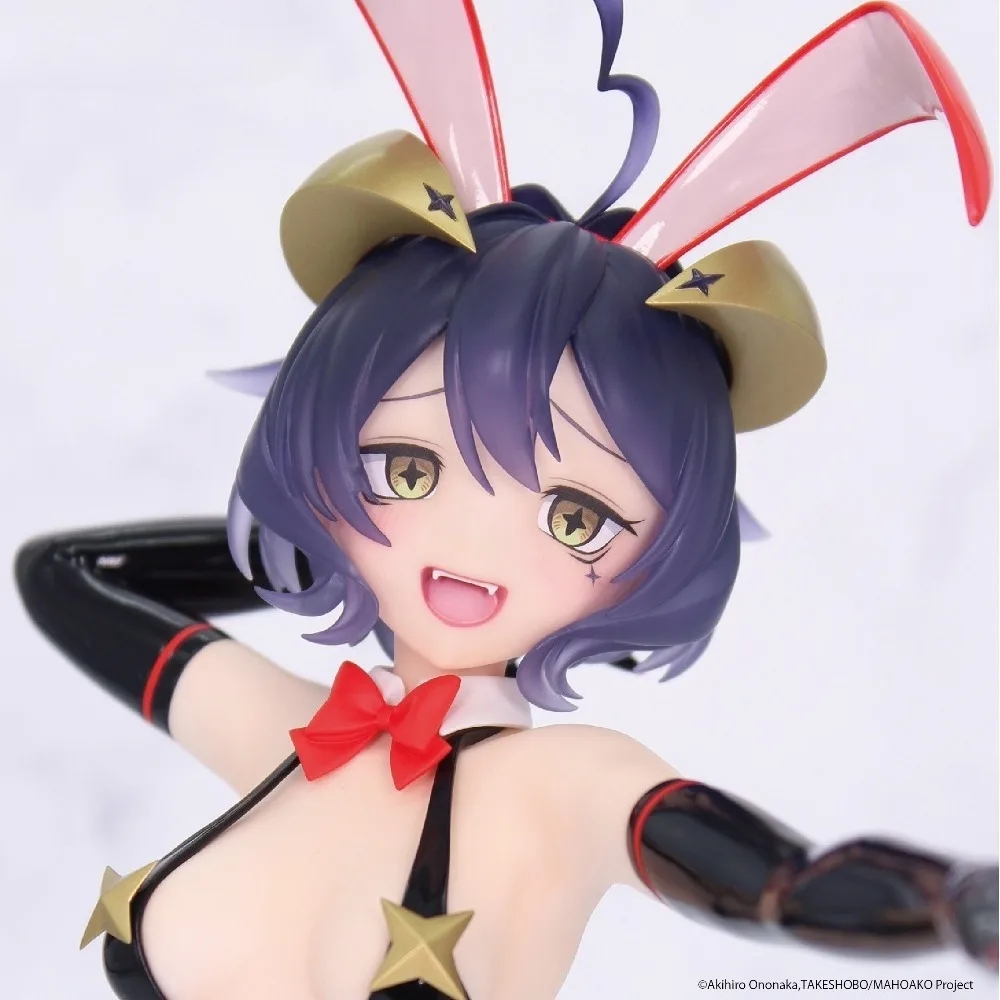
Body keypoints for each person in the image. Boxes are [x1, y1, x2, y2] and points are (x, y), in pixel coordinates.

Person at [14, 1, 997, 998]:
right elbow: (66, 578)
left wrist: (954, 903)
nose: (471, 542)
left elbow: (781, 887)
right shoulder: (286, 730)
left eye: (575, 520)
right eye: (407, 471)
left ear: (658, 556)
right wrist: (306, 538)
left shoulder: (560, 789)